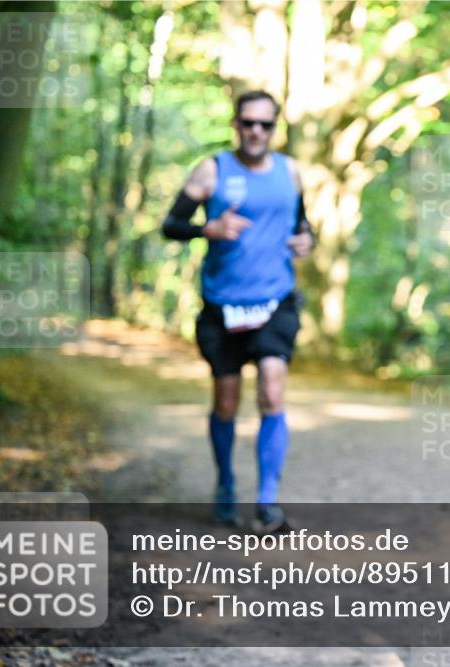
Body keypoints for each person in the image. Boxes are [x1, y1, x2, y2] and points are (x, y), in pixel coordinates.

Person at [161, 90, 315, 532]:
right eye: (248, 122)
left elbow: (303, 226)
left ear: (275, 128)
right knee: (226, 403)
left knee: (272, 387)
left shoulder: (291, 173)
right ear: (235, 124)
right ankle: (226, 484)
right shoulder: (212, 170)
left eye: (265, 124)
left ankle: (268, 502)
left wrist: (308, 240)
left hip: (276, 301)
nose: (255, 131)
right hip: (222, 308)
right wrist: (205, 229)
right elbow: (170, 226)